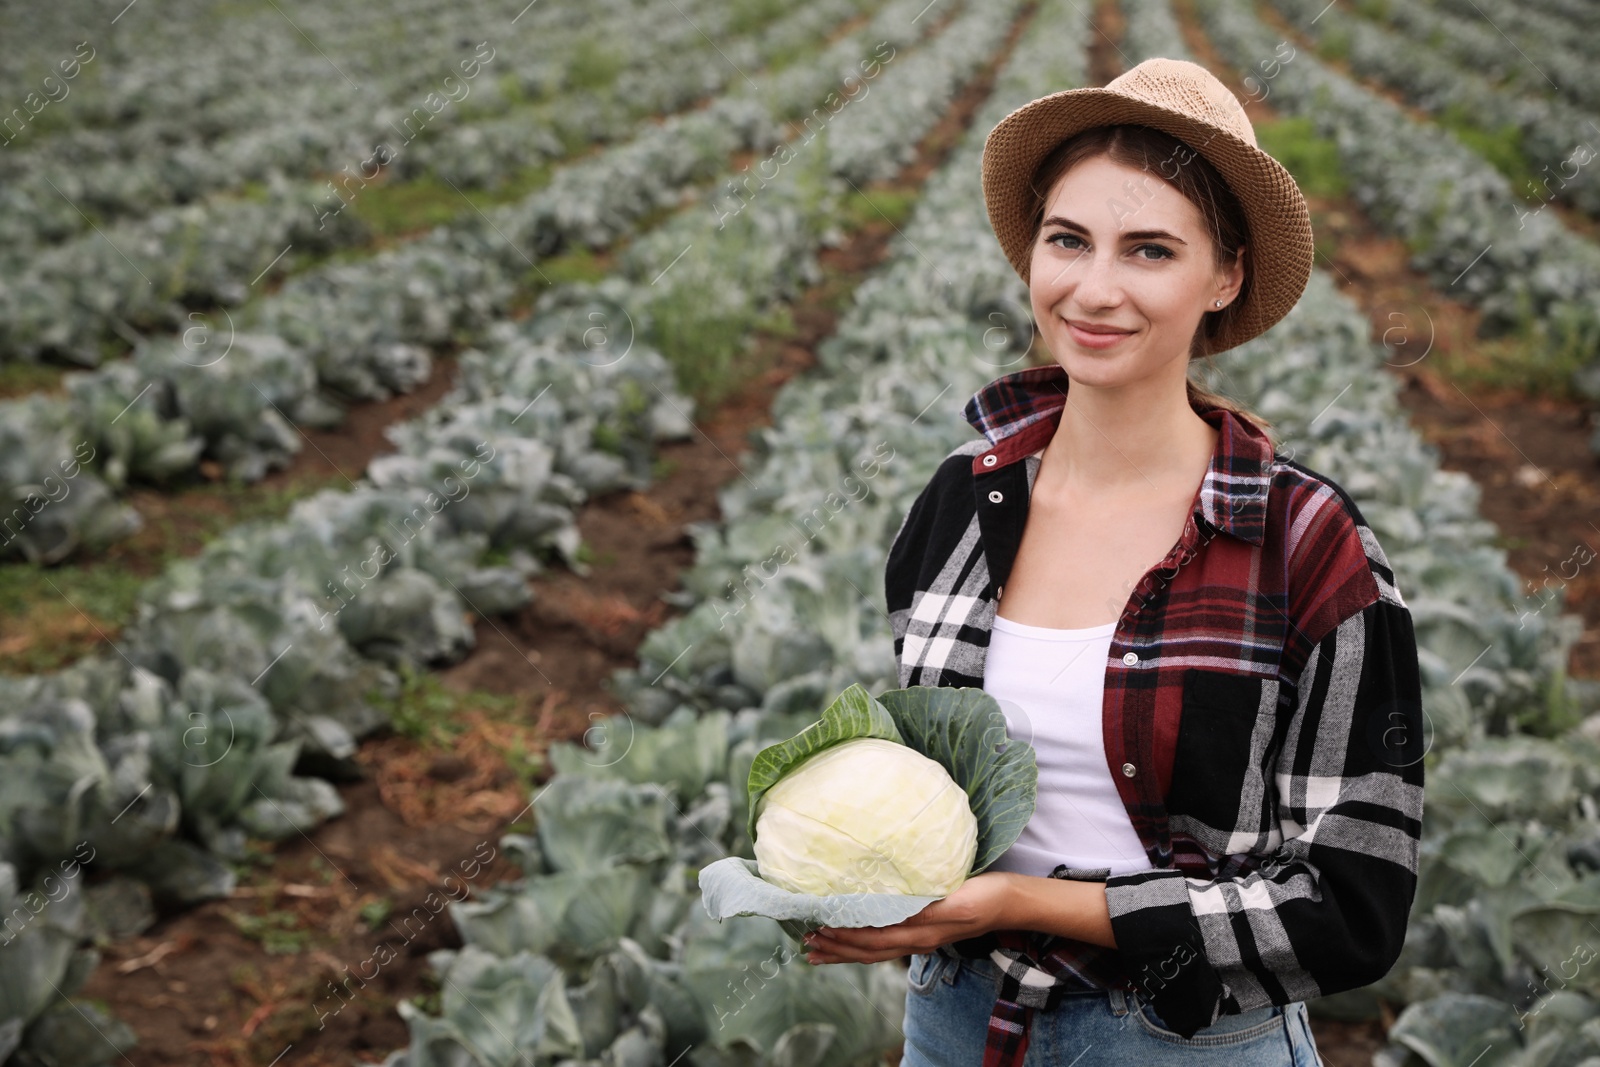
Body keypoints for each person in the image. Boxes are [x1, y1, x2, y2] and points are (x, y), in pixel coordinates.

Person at [800, 57, 1425, 1066]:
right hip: (957, 1022)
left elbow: (1350, 906)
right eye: (1067, 240)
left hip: (1189, 1038)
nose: (1093, 289)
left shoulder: (1308, 544)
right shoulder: (961, 502)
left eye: (1147, 250)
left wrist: (1017, 899)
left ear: (1222, 276)